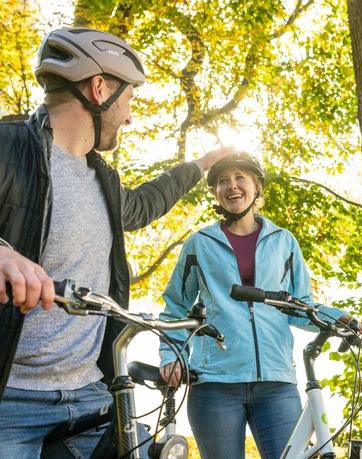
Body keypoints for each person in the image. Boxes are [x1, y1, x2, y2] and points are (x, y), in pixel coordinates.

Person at [0, 27, 233, 458]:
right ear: (99, 87)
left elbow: (143, 205)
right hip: (10, 404)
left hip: (91, 394)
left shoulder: (102, 178)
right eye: (129, 100)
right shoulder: (7, 147)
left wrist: (201, 165)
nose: (129, 115)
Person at [158, 152, 362, 459]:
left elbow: (300, 305)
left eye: (240, 178)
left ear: (256, 186)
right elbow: (175, 308)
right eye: (222, 181)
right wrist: (171, 355)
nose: (232, 186)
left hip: (276, 382)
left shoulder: (284, 241)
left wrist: (339, 318)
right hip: (215, 384)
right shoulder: (199, 244)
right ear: (215, 192)